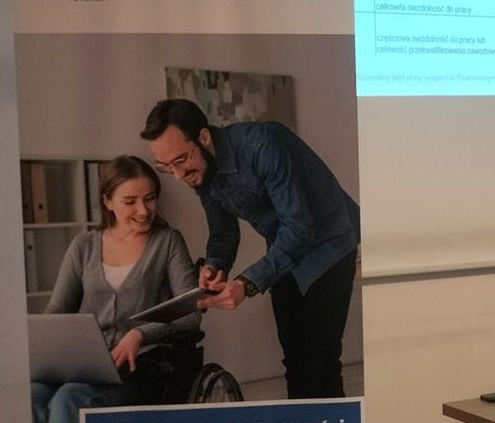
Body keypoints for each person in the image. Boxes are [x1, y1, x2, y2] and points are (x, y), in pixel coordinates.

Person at [140, 99, 360, 399]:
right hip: (284, 246)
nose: (178, 174)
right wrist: (215, 265)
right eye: (166, 167)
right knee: (294, 359)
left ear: (204, 137)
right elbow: (223, 231)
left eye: (180, 160)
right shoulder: (200, 169)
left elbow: (300, 229)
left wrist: (246, 283)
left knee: (321, 359)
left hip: (330, 243)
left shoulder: (263, 144)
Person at [32, 157, 200, 423]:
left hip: (141, 369)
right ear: (108, 201)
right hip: (84, 367)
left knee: (68, 399)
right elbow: (57, 310)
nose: (143, 210)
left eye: (150, 198)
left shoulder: (168, 241)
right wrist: (38, 342)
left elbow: (191, 312)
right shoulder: (83, 246)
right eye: (130, 201)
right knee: (31, 395)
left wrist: (141, 334)